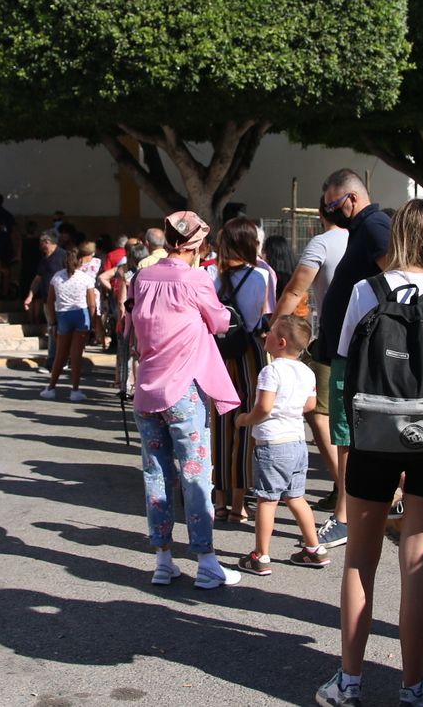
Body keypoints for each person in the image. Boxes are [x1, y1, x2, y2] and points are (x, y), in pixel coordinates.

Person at [316, 197, 423, 707]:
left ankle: (348, 681)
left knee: (360, 560)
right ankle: (414, 686)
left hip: (372, 439)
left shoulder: (366, 290)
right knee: (417, 562)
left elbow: (345, 362)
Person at [129, 210, 242, 590]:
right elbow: (219, 322)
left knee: (156, 474)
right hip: (183, 389)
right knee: (195, 475)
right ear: (197, 244)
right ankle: (206, 561)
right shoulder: (195, 279)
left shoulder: (143, 277)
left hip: (146, 387)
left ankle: (163, 559)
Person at [315, 168, 392, 550]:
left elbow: (395, 276)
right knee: (347, 434)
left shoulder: (376, 226)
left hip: (359, 352)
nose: (331, 212)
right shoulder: (362, 229)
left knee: (345, 435)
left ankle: (344, 517)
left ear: (352, 199)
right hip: (347, 349)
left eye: (333, 205)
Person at [236, 314, 329, 576]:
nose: (266, 335)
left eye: (271, 332)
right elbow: (310, 405)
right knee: (296, 497)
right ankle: (313, 548)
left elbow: (264, 407)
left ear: (281, 342)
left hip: (273, 444)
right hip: (297, 443)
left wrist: (245, 419)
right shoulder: (307, 371)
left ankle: (261, 555)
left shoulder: (271, 371)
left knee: (267, 500)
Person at [273, 208, 349, 513]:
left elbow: (295, 290)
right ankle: (342, 491)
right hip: (372, 341)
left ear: (321, 213)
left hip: (334, 342)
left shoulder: (323, 242)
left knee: (320, 415)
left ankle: (347, 492)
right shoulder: (370, 239)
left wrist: (274, 330)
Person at [212, 217, 270, 522]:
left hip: (219, 355)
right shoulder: (260, 277)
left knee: (220, 423)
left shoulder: (212, 275)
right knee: (245, 425)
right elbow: (262, 317)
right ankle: (238, 503)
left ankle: (218, 500)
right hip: (249, 353)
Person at [41, 245, 98, 402]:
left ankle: (51, 387)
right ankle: (75, 390)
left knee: (60, 355)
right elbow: (92, 304)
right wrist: (92, 323)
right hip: (81, 315)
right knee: (76, 356)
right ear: (80, 261)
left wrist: (52, 322)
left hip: (63, 316)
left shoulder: (57, 277)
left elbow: (50, 300)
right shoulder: (86, 279)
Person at [25, 229, 67, 369]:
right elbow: (38, 279)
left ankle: (56, 361)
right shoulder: (44, 259)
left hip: (61, 301)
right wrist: (30, 296)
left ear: (47, 242)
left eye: (41, 242)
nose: (40, 245)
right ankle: (55, 360)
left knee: (57, 330)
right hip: (47, 302)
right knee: (53, 330)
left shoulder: (62, 256)